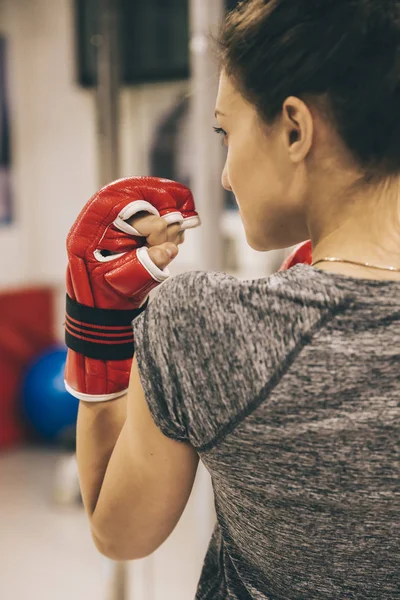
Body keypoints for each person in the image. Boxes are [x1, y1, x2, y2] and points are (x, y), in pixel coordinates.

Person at [66, 1, 400, 598]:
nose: (225, 175)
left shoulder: (202, 327)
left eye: (226, 131)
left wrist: (98, 325)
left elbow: (119, 534)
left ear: (295, 129)